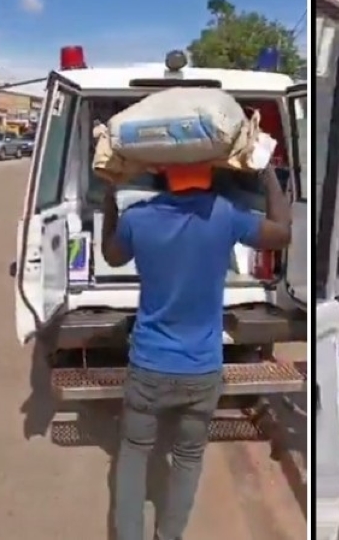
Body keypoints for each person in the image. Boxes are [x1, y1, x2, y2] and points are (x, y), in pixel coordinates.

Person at [102, 162, 292, 540]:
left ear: (162, 170)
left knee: (135, 452)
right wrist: (267, 172)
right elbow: (282, 233)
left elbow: (111, 255)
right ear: (208, 169)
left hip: (149, 364)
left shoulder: (138, 219)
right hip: (202, 368)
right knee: (188, 457)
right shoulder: (223, 215)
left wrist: (110, 194)